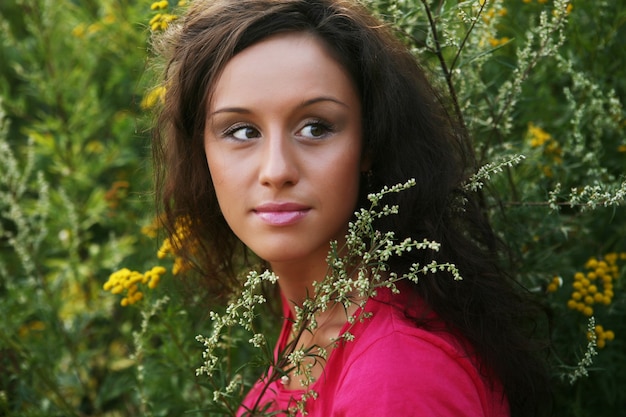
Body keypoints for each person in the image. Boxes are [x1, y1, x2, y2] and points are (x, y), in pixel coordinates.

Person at [151, 0, 551, 416]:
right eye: (242, 131)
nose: (276, 170)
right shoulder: (313, 318)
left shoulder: (397, 379)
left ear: (370, 144)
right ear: (202, 151)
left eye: (315, 127)